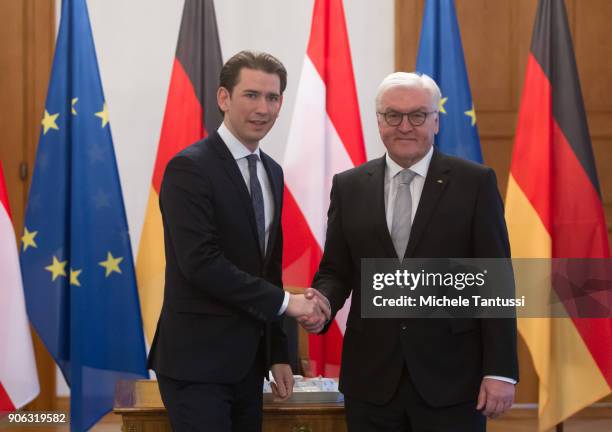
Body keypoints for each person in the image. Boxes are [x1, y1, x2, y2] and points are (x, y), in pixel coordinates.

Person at [303, 72, 518, 432]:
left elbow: (495, 280)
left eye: (417, 115)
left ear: (435, 120)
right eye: (393, 115)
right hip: (371, 380)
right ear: (379, 121)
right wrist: (321, 303)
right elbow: (336, 270)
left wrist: (500, 370)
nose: (405, 126)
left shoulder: (474, 183)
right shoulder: (349, 186)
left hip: (451, 380)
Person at [148, 50, 328, 432]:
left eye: (273, 97)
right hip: (197, 364)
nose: (263, 108)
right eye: (251, 95)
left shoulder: (272, 172)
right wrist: (287, 304)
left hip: (249, 364)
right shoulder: (189, 168)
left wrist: (279, 353)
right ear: (224, 99)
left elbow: (268, 270)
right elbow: (201, 264)